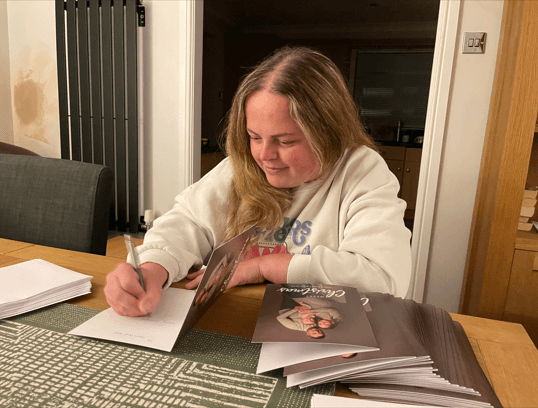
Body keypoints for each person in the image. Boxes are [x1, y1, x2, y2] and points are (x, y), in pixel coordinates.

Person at [104, 46, 412, 317]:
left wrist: (264, 266)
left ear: (328, 133)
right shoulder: (243, 165)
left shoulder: (361, 169)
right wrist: (153, 266)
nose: (265, 155)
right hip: (238, 318)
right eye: (254, 137)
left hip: (319, 337)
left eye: (286, 141)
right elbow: (187, 223)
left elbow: (382, 278)